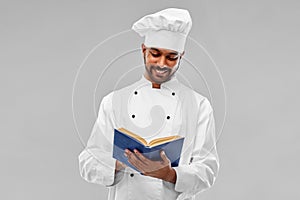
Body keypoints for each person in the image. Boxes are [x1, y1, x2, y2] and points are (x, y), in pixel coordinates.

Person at [78, 8, 219, 200]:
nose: (162, 64)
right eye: (155, 54)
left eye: (171, 57)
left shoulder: (199, 106)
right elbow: (87, 162)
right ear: (144, 50)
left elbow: (207, 170)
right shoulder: (113, 101)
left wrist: (169, 174)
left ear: (181, 57)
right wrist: (121, 162)